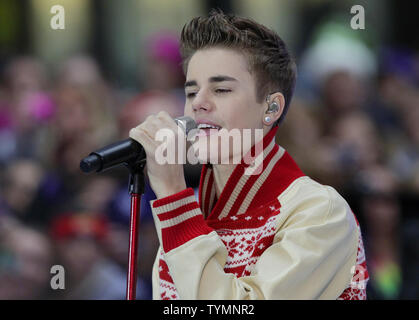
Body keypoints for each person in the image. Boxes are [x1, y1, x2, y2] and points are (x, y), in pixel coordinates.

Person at [129, 10, 368, 300]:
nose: (198, 104)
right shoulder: (191, 211)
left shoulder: (320, 212)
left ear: (271, 109)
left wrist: (172, 195)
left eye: (221, 89)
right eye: (191, 92)